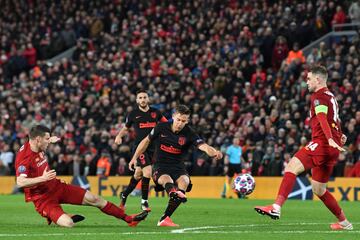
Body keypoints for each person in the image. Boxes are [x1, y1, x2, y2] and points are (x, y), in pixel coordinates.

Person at [254, 65, 353, 230]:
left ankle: (276, 207)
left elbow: (322, 117)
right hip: (333, 148)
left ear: (318, 79)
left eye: (309, 78)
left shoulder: (318, 96)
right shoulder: (331, 96)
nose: (306, 82)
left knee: (292, 166)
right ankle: (345, 222)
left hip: (323, 143)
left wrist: (329, 138)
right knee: (319, 189)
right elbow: (334, 119)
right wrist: (338, 136)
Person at [15, 125, 148, 228]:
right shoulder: (24, 158)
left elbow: (42, 142)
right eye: (46, 139)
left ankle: (129, 219)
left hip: (56, 186)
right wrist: (43, 178)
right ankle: (55, 216)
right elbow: (20, 182)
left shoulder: (36, 145)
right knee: (68, 224)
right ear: (37, 140)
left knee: (94, 199)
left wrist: (51, 139)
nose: (48, 142)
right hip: (42, 198)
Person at [129, 105, 223, 227]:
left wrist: (214, 152)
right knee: (166, 180)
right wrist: (134, 158)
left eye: (183, 121)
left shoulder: (189, 133)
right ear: (173, 116)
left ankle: (165, 218)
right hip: (160, 166)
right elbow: (146, 141)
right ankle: (173, 193)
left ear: (187, 121)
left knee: (185, 181)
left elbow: (204, 146)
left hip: (178, 166)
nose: (180, 123)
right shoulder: (161, 127)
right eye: (178, 119)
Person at [115, 89, 167, 211]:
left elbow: (167, 124)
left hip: (153, 148)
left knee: (138, 173)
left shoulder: (156, 112)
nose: (143, 100)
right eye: (140, 98)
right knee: (147, 172)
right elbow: (126, 128)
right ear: (137, 100)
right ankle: (144, 202)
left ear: (148, 99)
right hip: (140, 148)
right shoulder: (133, 114)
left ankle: (124, 194)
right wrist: (119, 136)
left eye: (145, 97)